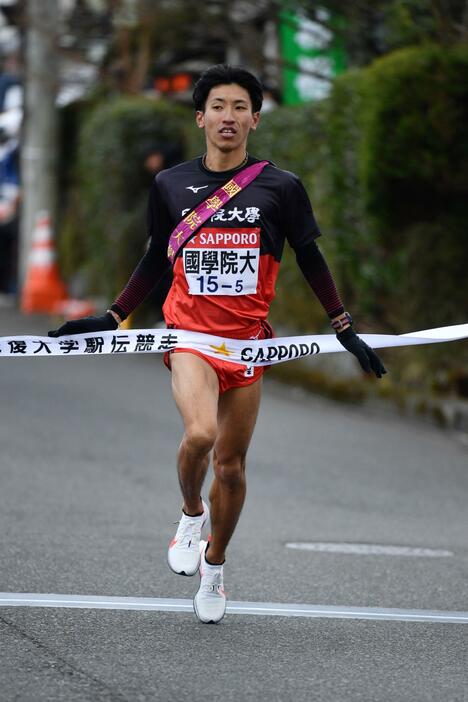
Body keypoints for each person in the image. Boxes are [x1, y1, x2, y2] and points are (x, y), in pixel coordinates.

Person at [49, 64, 386, 624]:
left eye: (239, 108)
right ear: (200, 117)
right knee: (200, 433)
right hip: (188, 337)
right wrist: (113, 315)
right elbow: (157, 257)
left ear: (255, 119)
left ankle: (216, 564)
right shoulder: (170, 184)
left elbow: (310, 257)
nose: (228, 117)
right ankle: (189, 513)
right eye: (218, 107)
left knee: (231, 467)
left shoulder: (282, 187)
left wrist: (343, 326)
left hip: (247, 346)